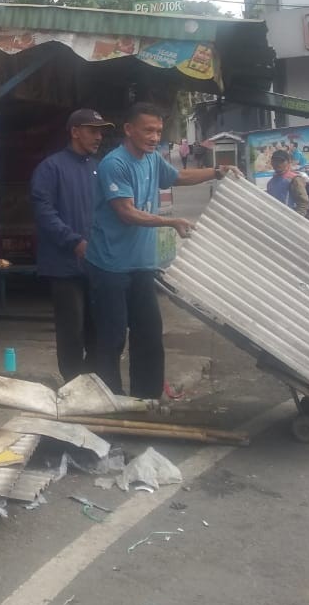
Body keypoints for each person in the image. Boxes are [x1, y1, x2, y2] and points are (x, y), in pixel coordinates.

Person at [85, 103, 235, 399]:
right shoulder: (114, 164)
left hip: (142, 266)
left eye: (158, 131)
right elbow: (126, 213)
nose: (154, 137)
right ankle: (108, 403)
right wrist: (172, 222)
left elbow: (177, 178)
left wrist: (217, 172)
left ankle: (147, 401)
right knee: (112, 340)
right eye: (148, 130)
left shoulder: (152, 160)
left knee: (150, 337)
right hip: (109, 267)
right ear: (129, 129)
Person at [30, 109, 114, 383]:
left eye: (101, 131)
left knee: (101, 328)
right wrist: (74, 241)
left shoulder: (101, 168)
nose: (98, 136)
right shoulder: (51, 168)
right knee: (72, 331)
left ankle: (95, 381)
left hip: (99, 264)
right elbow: (44, 212)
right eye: (92, 130)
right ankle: (73, 384)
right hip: (65, 266)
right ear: (75, 131)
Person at [265, 151, 309, 216]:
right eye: (275, 161)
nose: (278, 164)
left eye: (281, 161)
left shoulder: (294, 179)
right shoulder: (270, 182)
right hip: (275, 218)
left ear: (288, 162)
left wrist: (296, 219)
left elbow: (303, 203)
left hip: (290, 219)